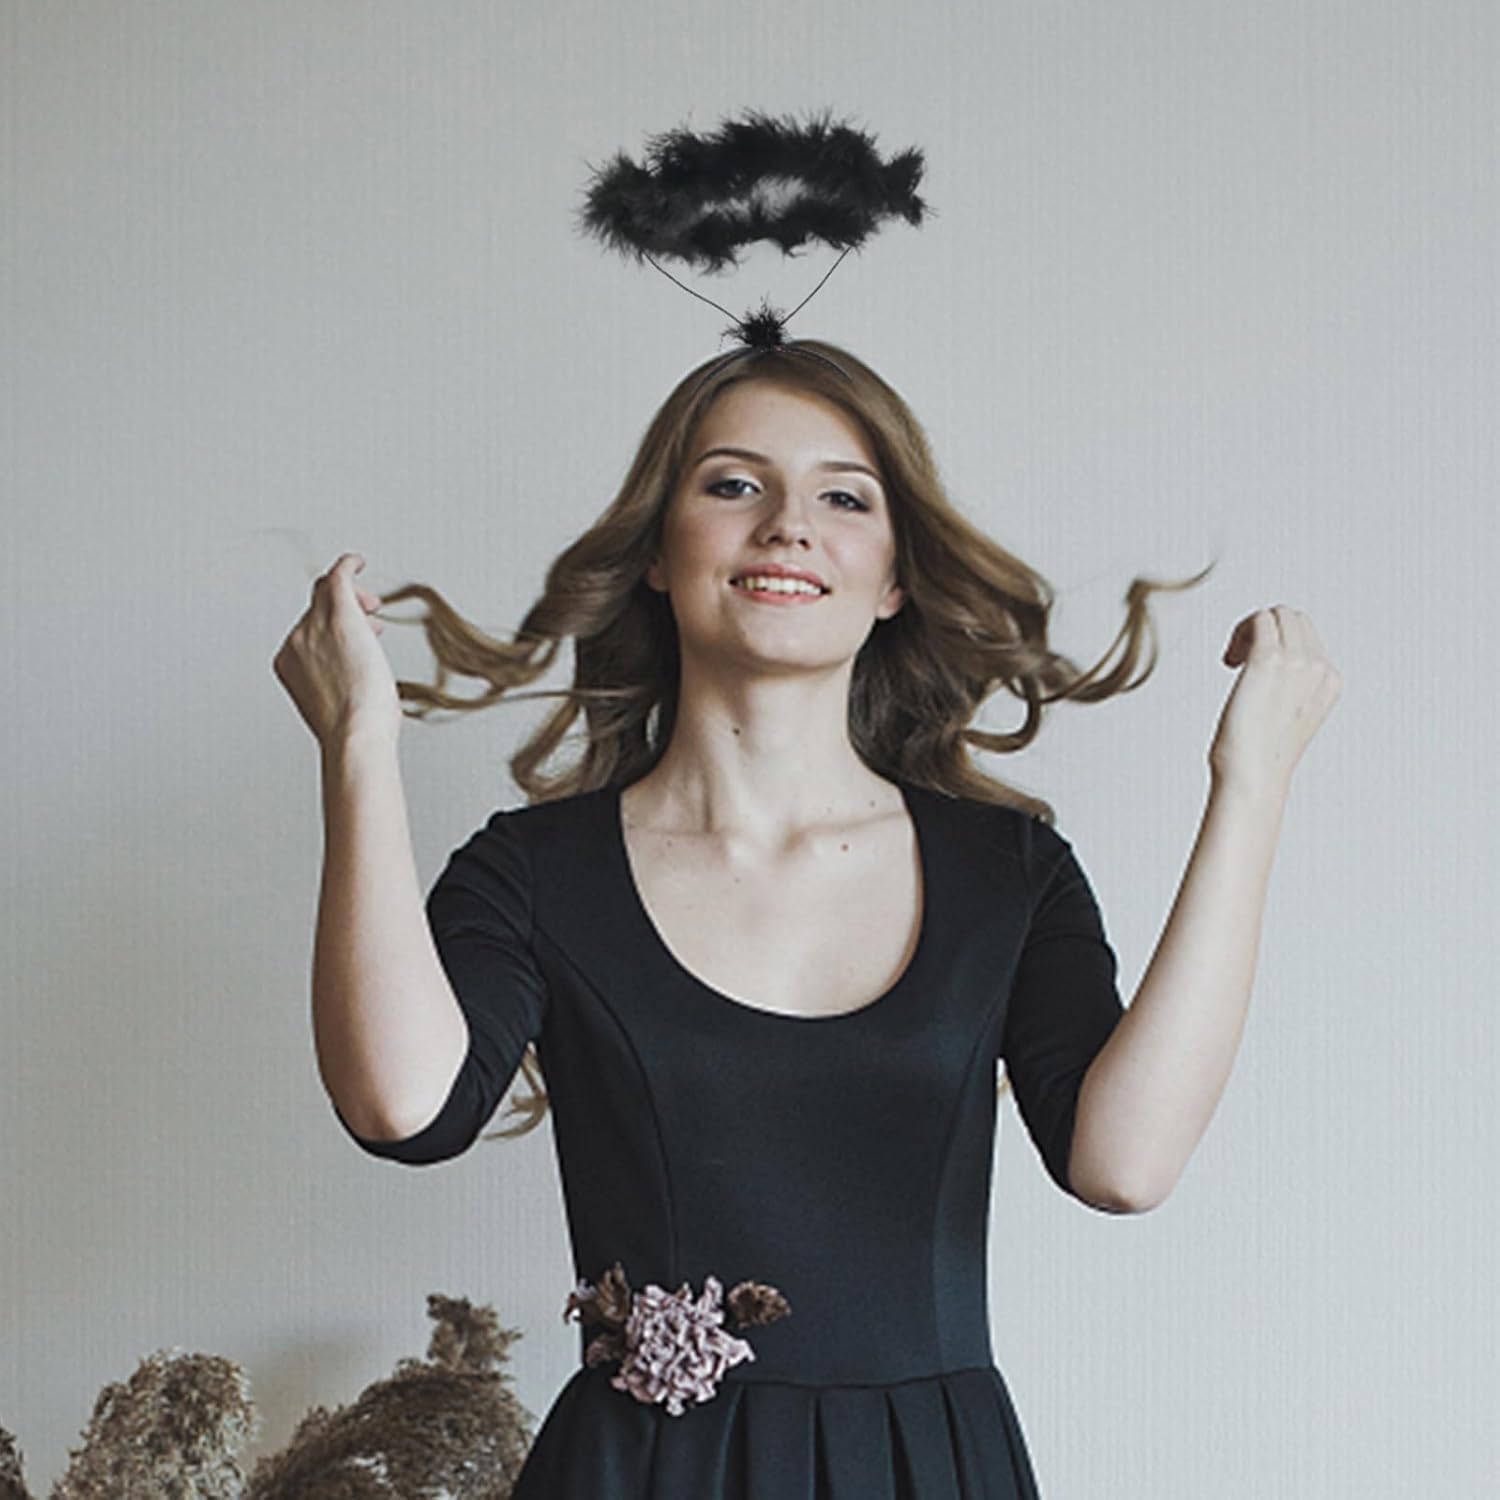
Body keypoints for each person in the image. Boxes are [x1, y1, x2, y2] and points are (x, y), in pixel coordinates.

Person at [272, 339, 1341, 1497]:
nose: (788, 526)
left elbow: (1124, 1166)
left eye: (844, 497)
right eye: (734, 484)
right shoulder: (534, 872)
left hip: (929, 1475)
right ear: (657, 554)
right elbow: (402, 1107)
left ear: (894, 579)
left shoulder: (1009, 876)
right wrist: (357, 747)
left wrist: (1252, 787)